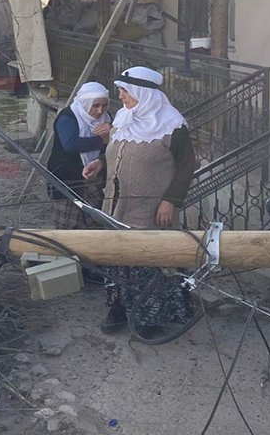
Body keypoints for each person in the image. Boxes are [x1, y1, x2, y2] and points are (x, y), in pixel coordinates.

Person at [99, 66, 198, 337]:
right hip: (116, 206)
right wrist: (98, 164)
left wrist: (171, 200)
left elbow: (188, 165)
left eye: (125, 91)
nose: (120, 96)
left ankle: (148, 318)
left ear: (144, 93)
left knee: (148, 262)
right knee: (118, 258)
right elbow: (115, 149)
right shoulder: (123, 117)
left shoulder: (171, 124)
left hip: (150, 210)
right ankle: (118, 308)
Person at [45, 82, 112, 225]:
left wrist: (112, 130)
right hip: (67, 177)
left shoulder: (107, 119)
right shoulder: (68, 117)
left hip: (93, 177)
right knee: (68, 222)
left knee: (93, 218)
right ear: (85, 103)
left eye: (104, 105)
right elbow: (71, 144)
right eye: (95, 105)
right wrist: (103, 139)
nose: (100, 110)